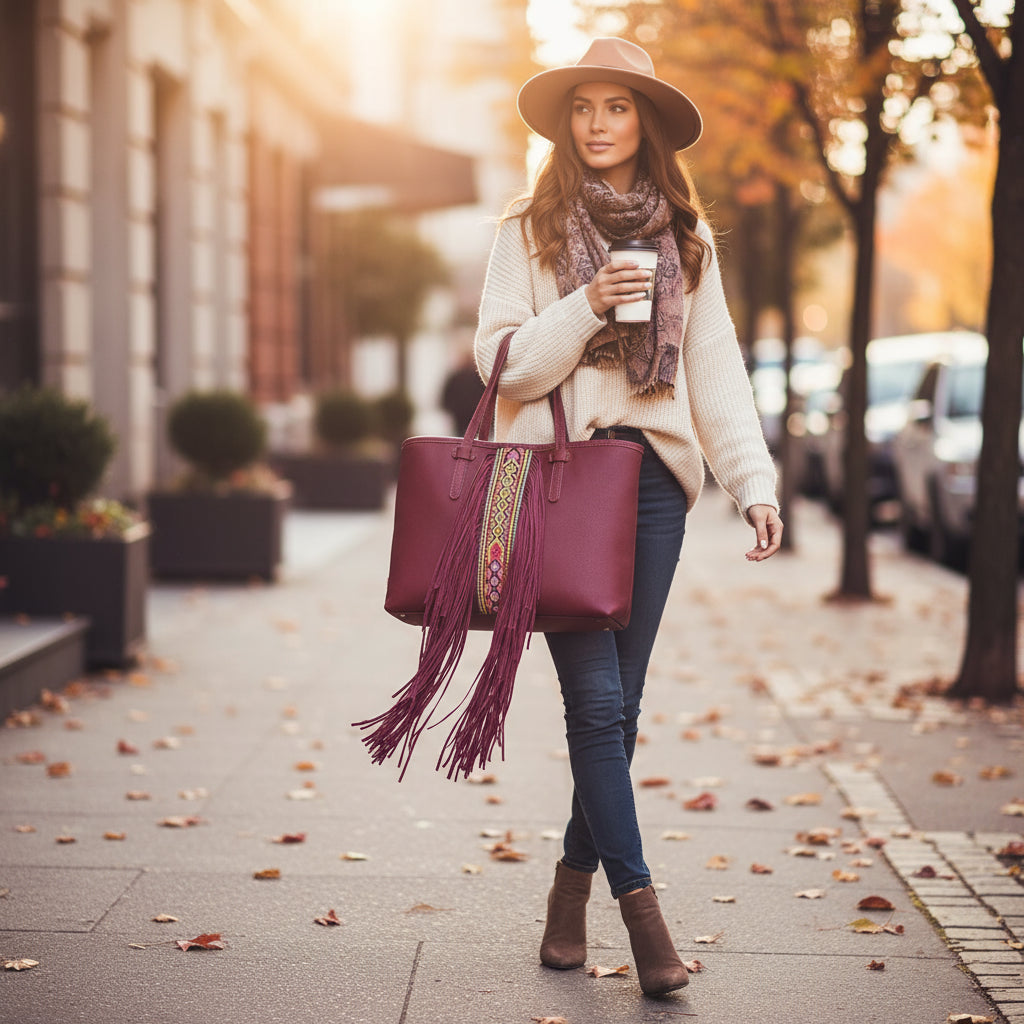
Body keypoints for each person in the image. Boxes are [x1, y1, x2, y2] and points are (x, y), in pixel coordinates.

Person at [474, 38, 783, 997]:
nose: (599, 124)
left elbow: (714, 370)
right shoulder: (527, 228)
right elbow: (503, 366)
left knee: (623, 706)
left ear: (644, 122)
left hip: (651, 487)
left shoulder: (687, 239)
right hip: (558, 481)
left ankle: (570, 892)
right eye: (584, 107)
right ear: (567, 121)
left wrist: (754, 483)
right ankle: (646, 921)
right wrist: (586, 304)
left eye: (617, 107)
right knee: (596, 705)